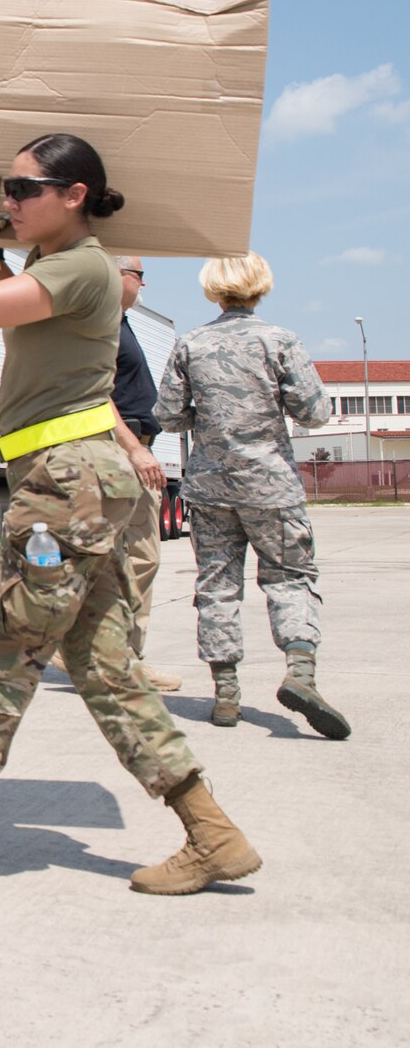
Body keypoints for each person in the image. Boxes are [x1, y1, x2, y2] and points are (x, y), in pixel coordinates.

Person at [0, 135, 258, 897]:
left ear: (74, 194)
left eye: (20, 188)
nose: (8, 201)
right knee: (105, 669)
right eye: (3, 190)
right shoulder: (61, 269)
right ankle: (213, 833)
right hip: (75, 481)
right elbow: (9, 315)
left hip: (62, 489)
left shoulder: (83, 265)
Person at [153, 252, 344, 738]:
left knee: (217, 585)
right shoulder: (280, 341)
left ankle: (225, 695)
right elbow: (316, 413)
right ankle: (300, 672)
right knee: (289, 579)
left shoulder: (189, 344)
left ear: (212, 288)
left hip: (210, 488)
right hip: (271, 487)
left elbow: (169, 415)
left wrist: (209, 419)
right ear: (261, 287)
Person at [0, 252, 183, 692]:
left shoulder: (107, 318)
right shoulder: (94, 319)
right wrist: (134, 449)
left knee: (126, 558)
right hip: (114, 454)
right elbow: (91, 391)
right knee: (127, 557)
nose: (144, 285)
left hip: (114, 451)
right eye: (139, 275)